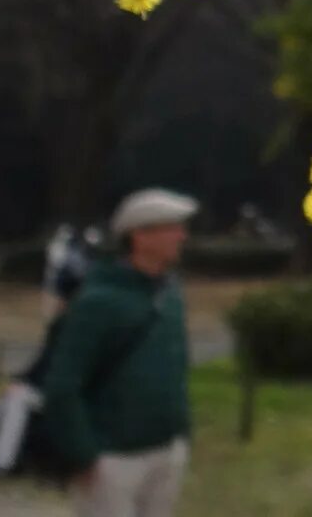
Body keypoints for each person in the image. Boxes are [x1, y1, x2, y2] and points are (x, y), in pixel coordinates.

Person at [39, 189, 196, 517]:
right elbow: (63, 385)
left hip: (166, 450)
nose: (182, 236)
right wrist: (83, 455)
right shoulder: (98, 302)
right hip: (112, 459)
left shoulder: (171, 294)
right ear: (140, 236)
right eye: (172, 228)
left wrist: (181, 434)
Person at [0, 221, 100, 483]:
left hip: (74, 393)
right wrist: (20, 379)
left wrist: (27, 384)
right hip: (54, 386)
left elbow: (62, 367)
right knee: (8, 395)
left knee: (17, 399)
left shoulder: (78, 324)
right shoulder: (63, 323)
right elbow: (44, 361)